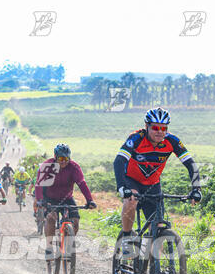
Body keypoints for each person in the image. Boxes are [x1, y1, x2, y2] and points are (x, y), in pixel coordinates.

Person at [113, 107, 202, 258]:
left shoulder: (172, 141)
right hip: (132, 180)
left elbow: (191, 164)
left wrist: (196, 189)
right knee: (131, 200)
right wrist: (122, 186)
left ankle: (153, 270)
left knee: (159, 228)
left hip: (153, 184)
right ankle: (127, 238)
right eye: (155, 127)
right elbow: (119, 161)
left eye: (163, 128)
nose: (160, 131)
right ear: (147, 126)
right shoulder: (136, 138)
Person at [34, 143, 97, 260]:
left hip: (66, 198)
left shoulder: (74, 167)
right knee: (51, 218)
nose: (63, 161)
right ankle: (49, 246)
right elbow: (38, 185)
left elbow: (82, 184)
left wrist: (90, 200)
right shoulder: (47, 165)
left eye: (66, 159)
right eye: (61, 158)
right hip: (49, 197)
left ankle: (67, 246)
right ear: (55, 157)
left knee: (76, 222)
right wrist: (40, 200)